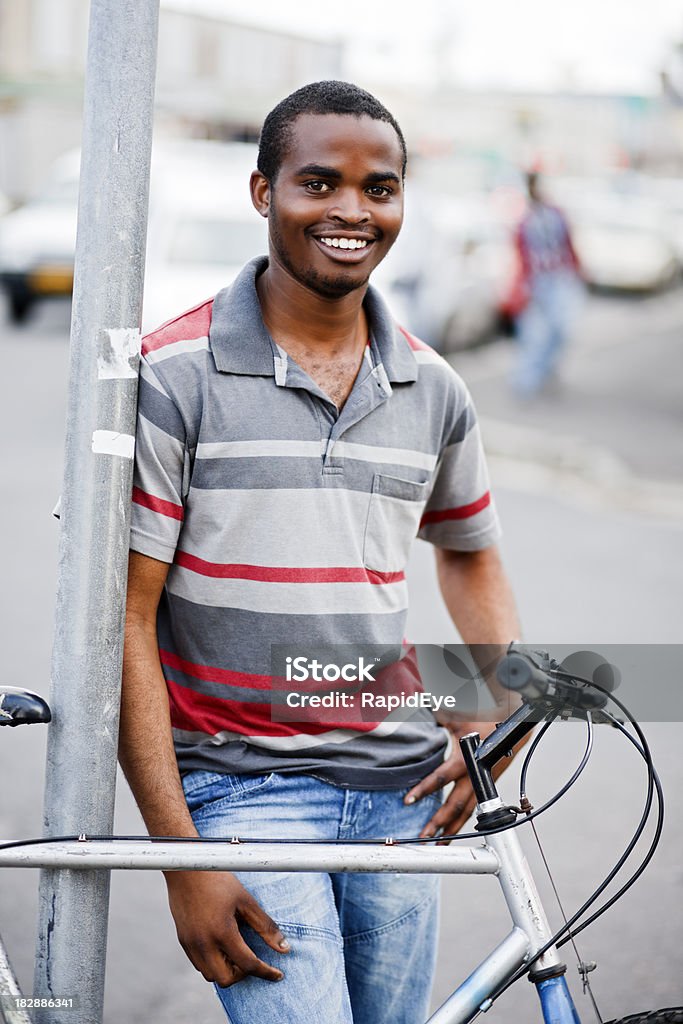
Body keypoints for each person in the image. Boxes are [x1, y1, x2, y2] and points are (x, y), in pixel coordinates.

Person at [119, 80, 522, 1024]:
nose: (351, 210)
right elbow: (123, 620)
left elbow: (467, 552)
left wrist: (487, 718)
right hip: (241, 791)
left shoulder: (435, 387)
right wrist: (185, 858)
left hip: (400, 794)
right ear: (263, 193)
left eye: (378, 188)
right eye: (318, 183)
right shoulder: (171, 378)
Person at [510, 170, 583, 398]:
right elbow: (521, 257)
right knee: (534, 335)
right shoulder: (524, 220)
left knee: (560, 330)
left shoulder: (556, 214)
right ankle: (527, 382)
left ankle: (547, 371)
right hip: (537, 283)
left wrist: (577, 268)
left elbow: (569, 243)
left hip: (559, 278)